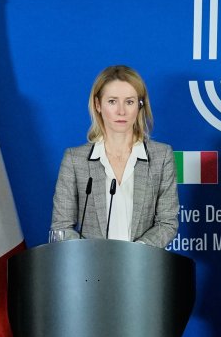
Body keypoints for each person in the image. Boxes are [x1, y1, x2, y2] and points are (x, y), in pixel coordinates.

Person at [49, 65, 178, 248]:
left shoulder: (161, 156)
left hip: (142, 269)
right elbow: (61, 227)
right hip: (90, 272)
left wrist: (136, 254)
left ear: (140, 105)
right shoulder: (75, 159)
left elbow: (167, 223)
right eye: (112, 101)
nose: (121, 111)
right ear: (97, 105)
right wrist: (93, 257)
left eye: (129, 102)